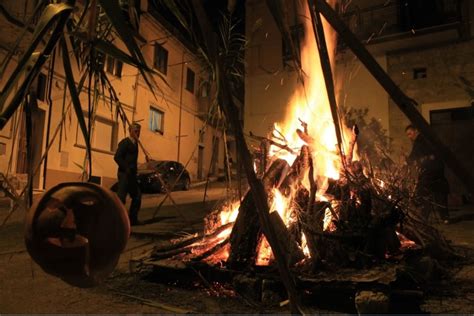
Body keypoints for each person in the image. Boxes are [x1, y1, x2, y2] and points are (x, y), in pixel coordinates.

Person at [405, 124, 450, 223]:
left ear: (416, 131)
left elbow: (414, 156)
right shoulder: (427, 138)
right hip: (438, 168)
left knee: (422, 192)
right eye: (407, 135)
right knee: (439, 192)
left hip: (430, 170)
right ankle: (445, 217)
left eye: (410, 133)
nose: (409, 137)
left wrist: (407, 160)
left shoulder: (419, 141)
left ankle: (424, 216)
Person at [114, 122, 142, 226]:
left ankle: (133, 219)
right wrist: (126, 167)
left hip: (132, 175)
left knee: (137, 196)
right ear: (130, 131)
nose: (137, 133)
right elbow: (117, 157)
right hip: (124, 174)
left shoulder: (136, 143)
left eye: (139, 131)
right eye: (135, 131)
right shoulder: (125, 142)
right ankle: (118, 221)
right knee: (121, 198)